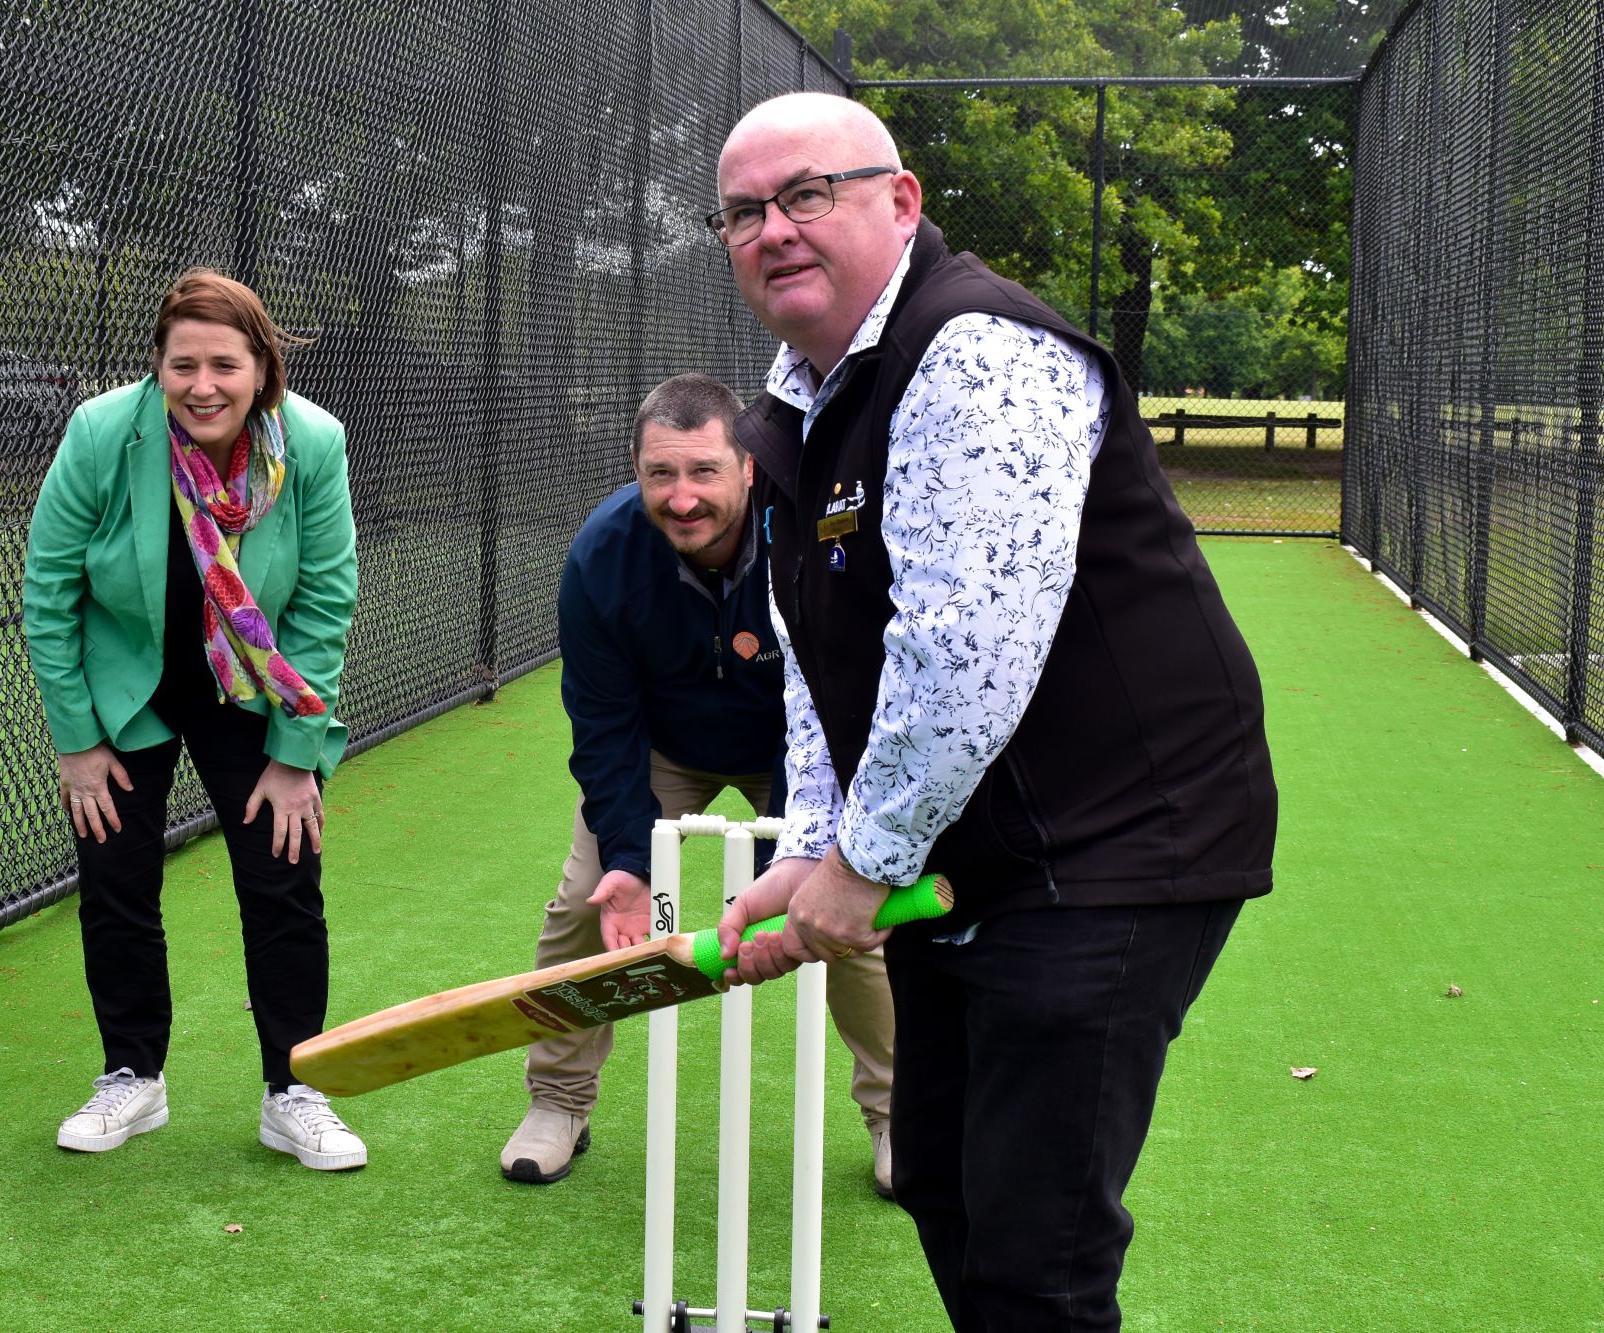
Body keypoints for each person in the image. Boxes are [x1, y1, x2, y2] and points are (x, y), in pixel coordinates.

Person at [707, 94, 1277, 1329]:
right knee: (947, 1185)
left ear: (898, 200)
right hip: (970, 851)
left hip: (1119, 840)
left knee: (1036, 1246)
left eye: (807, 194)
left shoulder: (977, 352)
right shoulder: (798, 399)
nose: (773, 230)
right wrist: (810, 836)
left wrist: (861, 860)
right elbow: (815, 648)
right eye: (744, 212)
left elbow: (965, 650)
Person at [500, 372, 898, 1194]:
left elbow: (840, 698)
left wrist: (784, 873)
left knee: (854, 916)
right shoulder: (601, 556)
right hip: (668, 745)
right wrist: (627, 858)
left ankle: (900, 1114)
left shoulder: (815, 535)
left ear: (748, 467)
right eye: (661, 474)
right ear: (636, 471)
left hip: (800, 744)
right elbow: (603, 725)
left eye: (704, 471)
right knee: (586, 900)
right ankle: (559, 1100)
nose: (682, 499)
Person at [23, 268, 366, 1169]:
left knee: (284, 879)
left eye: (224, 364)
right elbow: (49, 590)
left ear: (262, 368)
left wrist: (297, 754)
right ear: (157, 368)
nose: (202, 385)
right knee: (116, 880)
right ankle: (132, 1076)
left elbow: (325, 601)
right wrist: (78, 742)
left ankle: (294, 1086)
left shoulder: (314, 443)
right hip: (126, 686)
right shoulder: (104, 431)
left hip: (250, 688)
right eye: (182, 365)